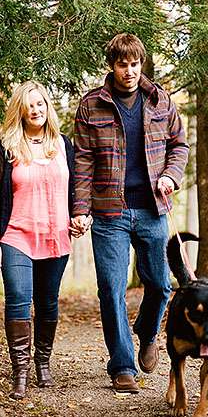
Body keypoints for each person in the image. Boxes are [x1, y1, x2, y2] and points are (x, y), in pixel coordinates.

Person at [71, 33, 189, 393]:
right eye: (123, 64)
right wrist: (80, 209)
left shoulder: (160, 100)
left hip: (153, 210)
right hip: (109, 213)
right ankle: (122, 365)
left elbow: (179, 144)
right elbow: (83, 161)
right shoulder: (92, 106)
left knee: (160, 284)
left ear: (142, 63)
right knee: (111, 287)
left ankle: (147, 332)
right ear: (112, 65)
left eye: (135, 63)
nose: (130, 71)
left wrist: (171, 175)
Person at [0, 81, 77, 399]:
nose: (36, 109)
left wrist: (81, 217)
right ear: (20, 110)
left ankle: (43, 364)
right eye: (29, 104)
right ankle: (21, 373)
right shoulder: (7, 147)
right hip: (16, 236)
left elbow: (76, 191)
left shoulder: (64, 145)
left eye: (41, 103)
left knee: (48, 303)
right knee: (18, 299)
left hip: (55, 236)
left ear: (47, 106)